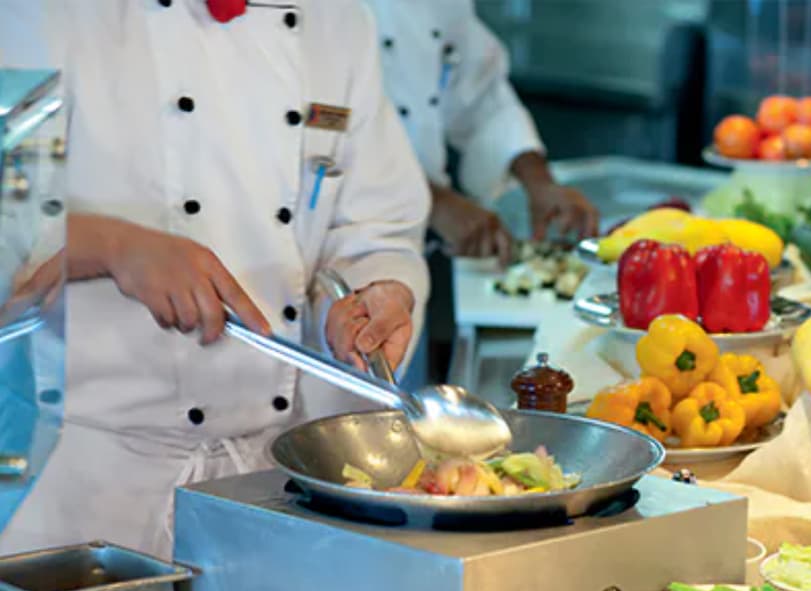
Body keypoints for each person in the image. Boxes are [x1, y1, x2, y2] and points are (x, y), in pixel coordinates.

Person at [0, 0, 431, 559]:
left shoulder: (336, 17)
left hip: (273, 482)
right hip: (80, 486)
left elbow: (378, 224)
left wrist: (377, 288)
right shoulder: (36, 14)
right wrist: (110, 245)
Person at [365, 0, 600, 262]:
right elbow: (335, 139)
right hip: (340, 247)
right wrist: (436, 203)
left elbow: (482, 97)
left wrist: (539, 182)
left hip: (415, 250)